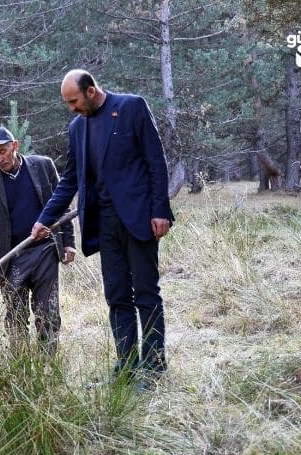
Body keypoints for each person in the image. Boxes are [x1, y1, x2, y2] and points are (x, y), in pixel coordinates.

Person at [31, 70, 174, 385]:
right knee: (116, 296)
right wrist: (45, 219)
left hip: (140, 219)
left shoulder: (132, 107)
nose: (71, 108)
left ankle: (154, 368)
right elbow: (69, 181)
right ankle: (126, 367)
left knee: (146, 293)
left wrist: (160, 210)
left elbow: (156, 161)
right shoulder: (77, 128)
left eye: (74, 101)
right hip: (104, 224)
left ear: (91, 90)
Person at [0, 126, 77, 353]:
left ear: (15, 146)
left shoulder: (42, 166)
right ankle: (22, 366)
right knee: (16, 317)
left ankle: (47, 365)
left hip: (45, 251)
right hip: (10, 259)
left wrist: (68, 241)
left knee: (47, 313)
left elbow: (62, 205)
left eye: (3, 151)